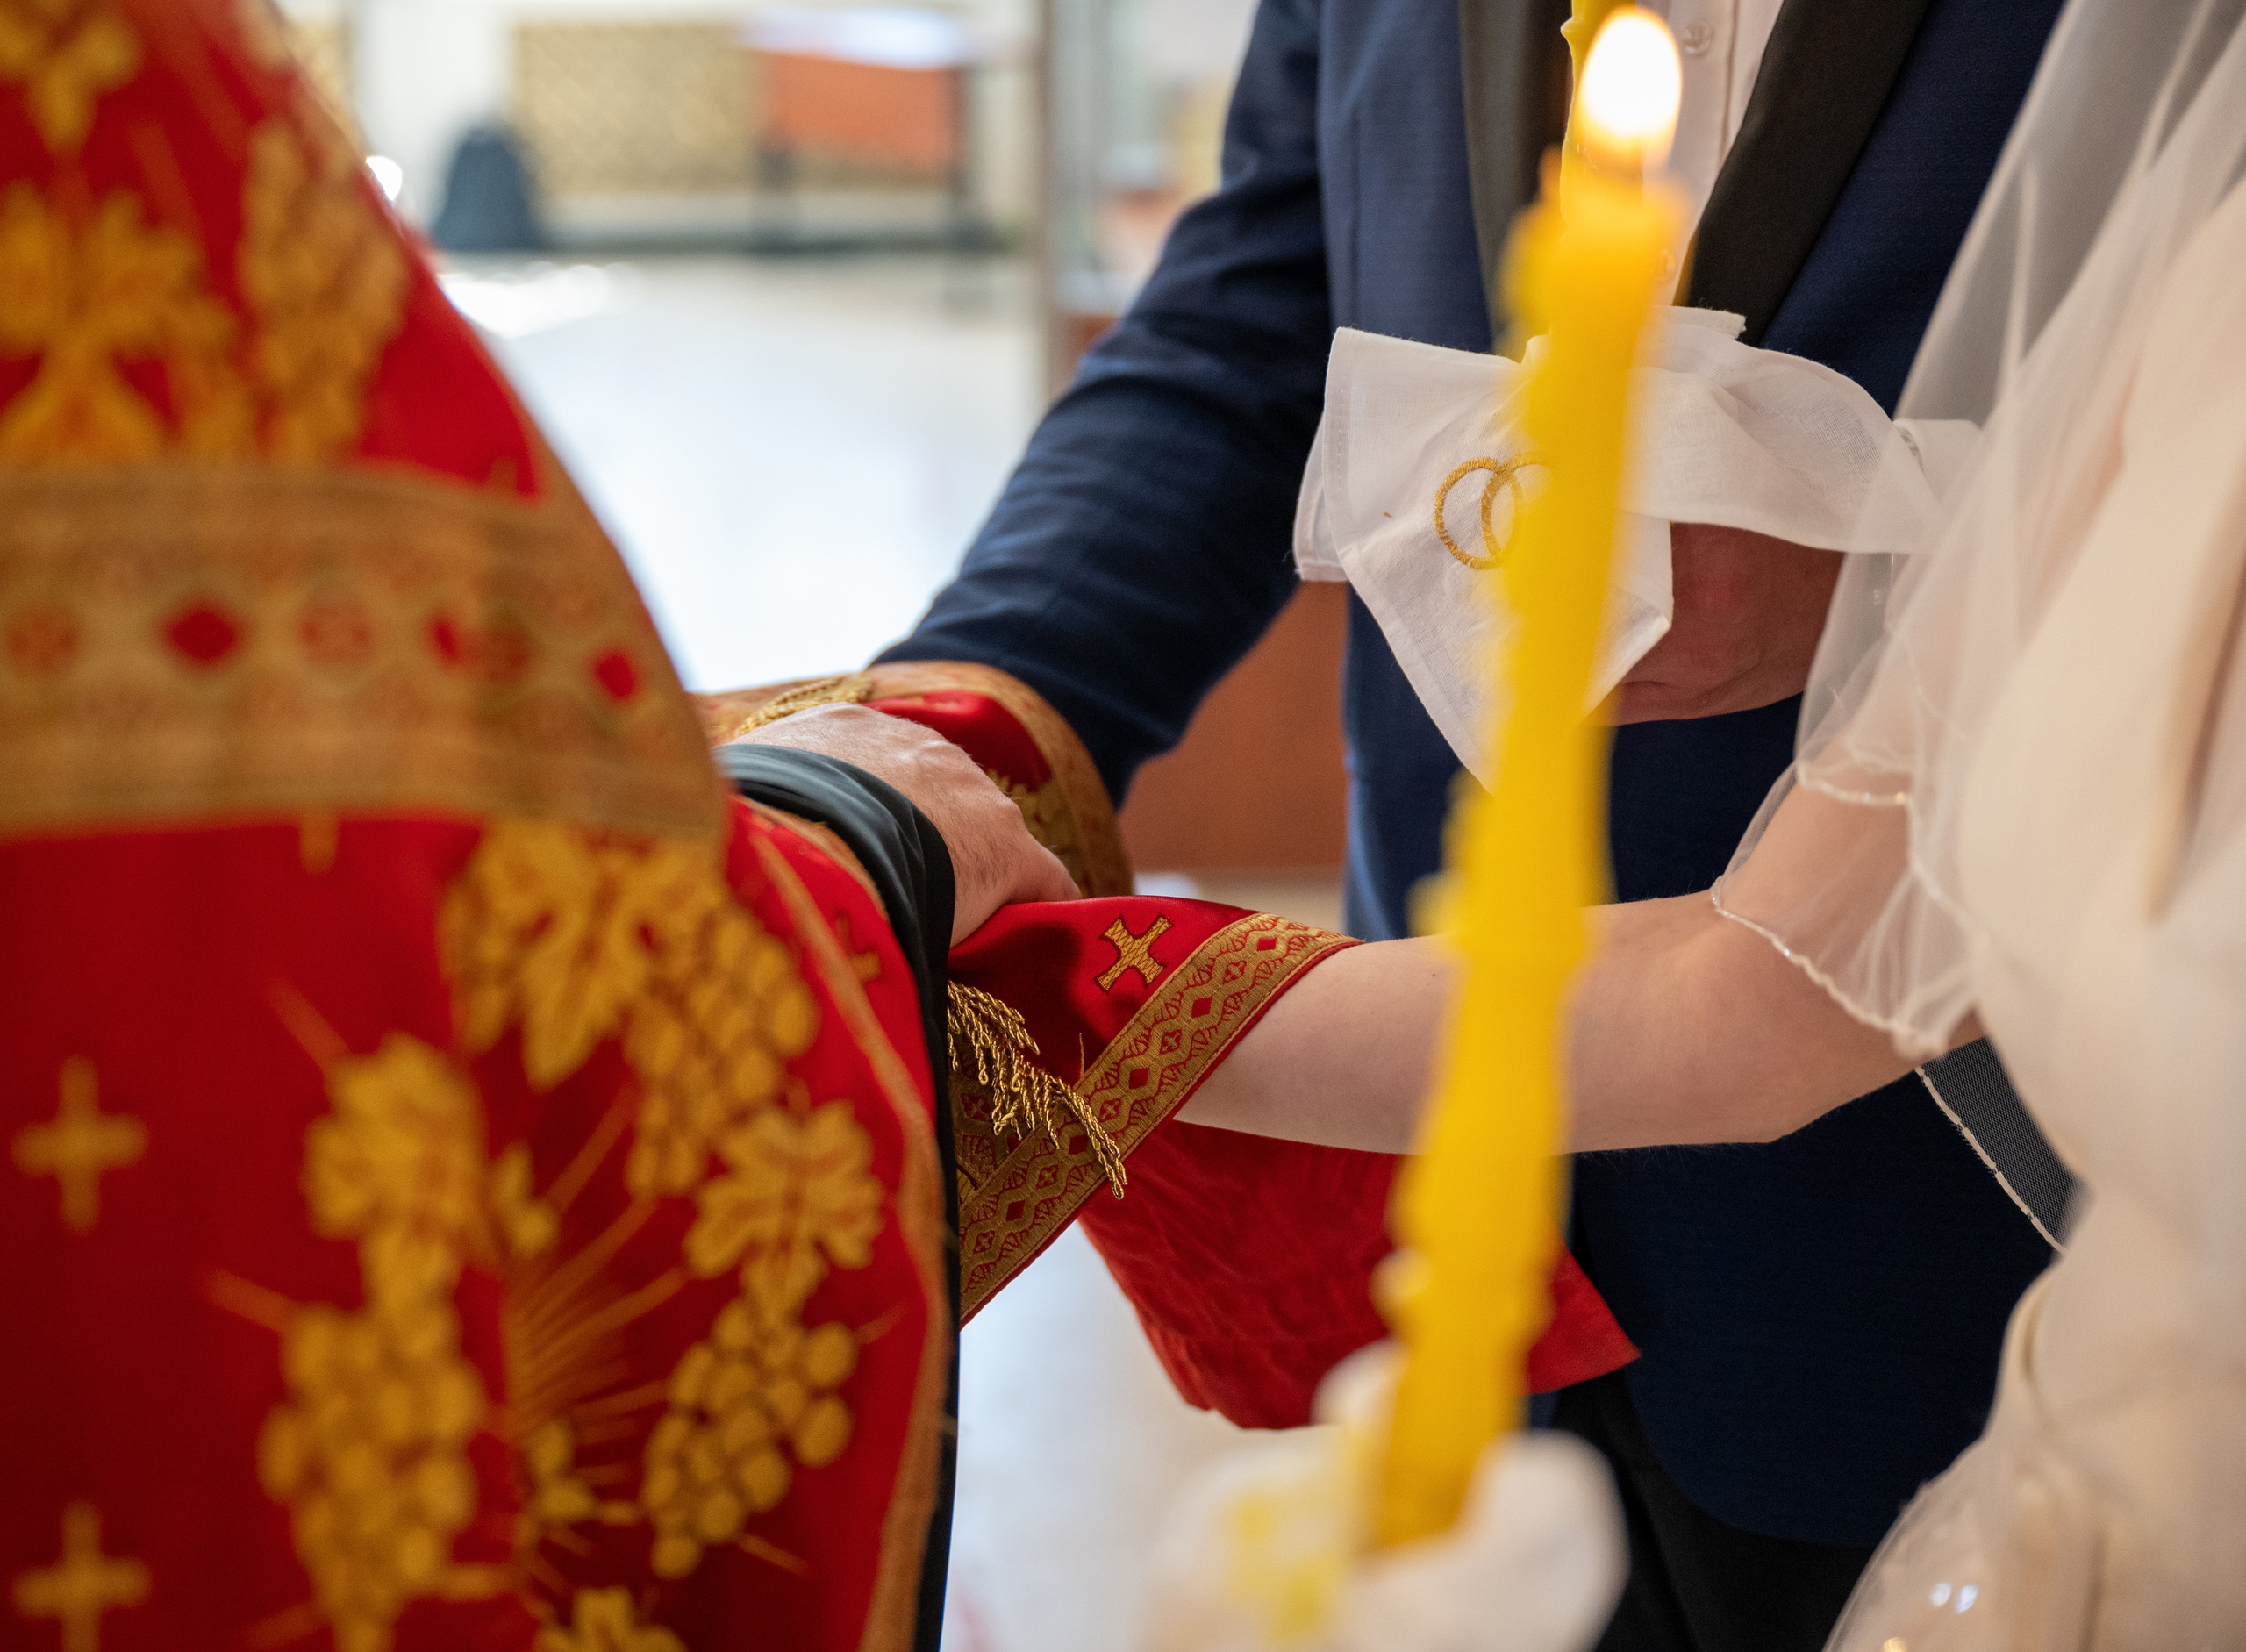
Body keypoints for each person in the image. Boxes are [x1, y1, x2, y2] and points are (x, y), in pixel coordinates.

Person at [766, 1, 2069, 1645]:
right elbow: (1252, 326)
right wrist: (950, 728)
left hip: (1956, 1198)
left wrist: (1904, 583)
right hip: (1449, 1157)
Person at [1187, 0, 2246, 1641]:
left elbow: (1755, 1011)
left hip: (1966, 1274)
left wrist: (1077, 1017)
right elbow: (1252, 306)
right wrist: (955, 717)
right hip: (1494, 1212)